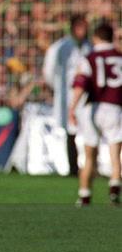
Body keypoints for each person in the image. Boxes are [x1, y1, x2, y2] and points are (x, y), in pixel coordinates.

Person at [69, 22, 121, 207]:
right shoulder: (119, 57)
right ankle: (114, 191)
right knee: (115, 154)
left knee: (90, 154)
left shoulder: (89, 58)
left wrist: (72, 108)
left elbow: (81, 84)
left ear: (96, 38)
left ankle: (84, 195)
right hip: (115, 108)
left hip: (93, 108)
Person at [42, 14, 91, 176]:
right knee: (70, 132)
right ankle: (73, 168)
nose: (82, 31)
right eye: (79, 27)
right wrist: (60, 90)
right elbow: (49, 73)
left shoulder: (90, 47)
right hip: (67, 97)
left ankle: (91, 167)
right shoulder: (59, 48)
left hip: (86, 96)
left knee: (89, 131)